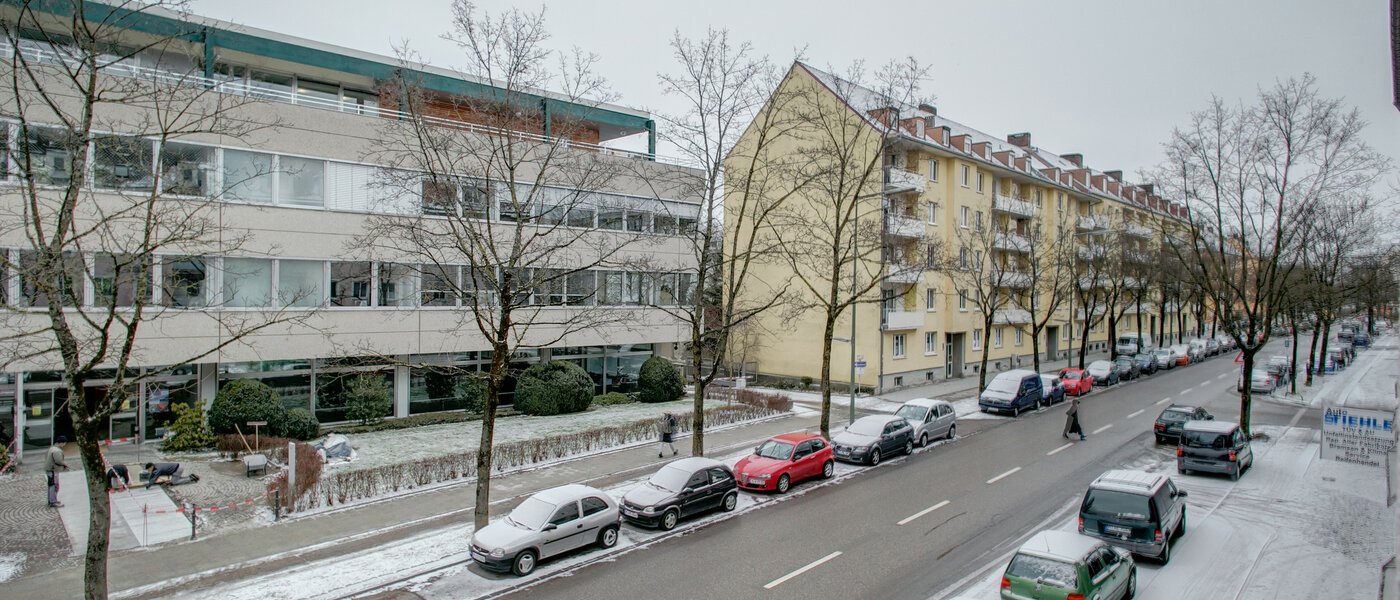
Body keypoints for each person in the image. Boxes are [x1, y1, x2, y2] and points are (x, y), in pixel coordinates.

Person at [46, 436, 70, 507]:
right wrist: (65, 465)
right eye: (64, 443)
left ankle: (51, 500)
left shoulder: (52, 448)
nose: (64, 445)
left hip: (50, 469)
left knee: (51, 485)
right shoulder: (56, 450)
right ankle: (53, 502)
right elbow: (58, 461)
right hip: (53, 470)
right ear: (62, 443)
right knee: (54, 485)